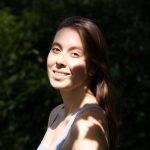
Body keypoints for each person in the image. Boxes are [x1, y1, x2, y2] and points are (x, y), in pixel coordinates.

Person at [37, 16, 117, 150]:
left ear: (92, 67)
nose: (60, 61)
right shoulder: (57, 113)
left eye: (74, 54)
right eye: (56, 49)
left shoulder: (87, 128)